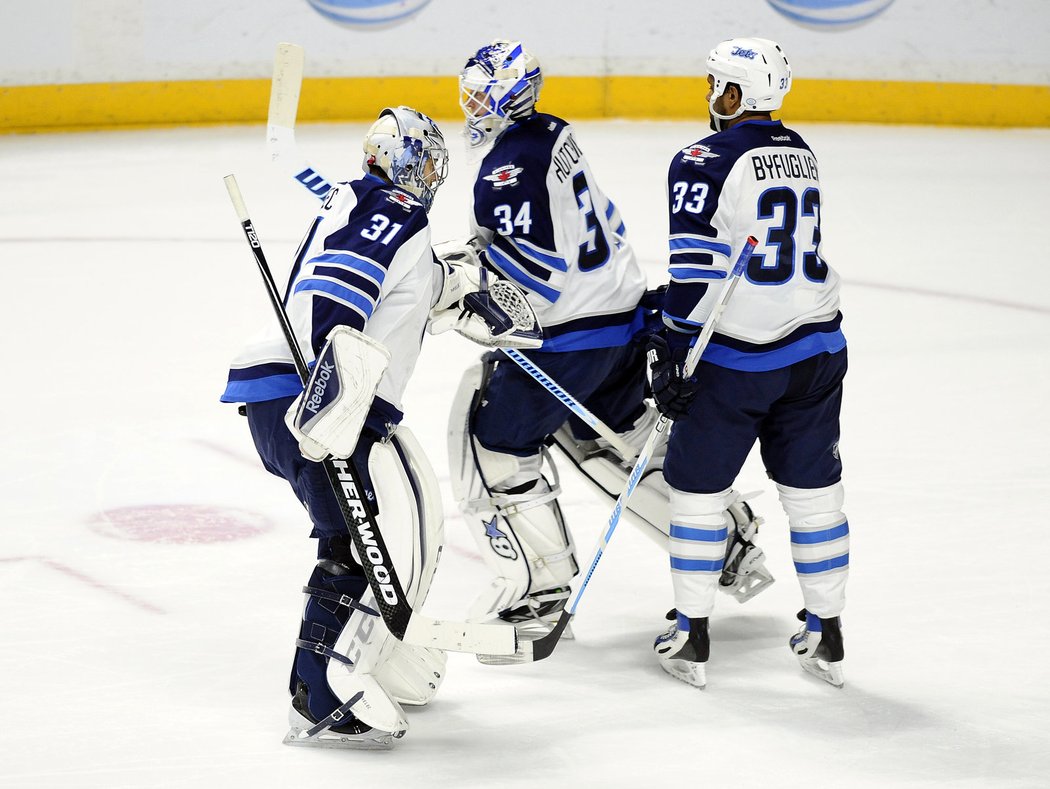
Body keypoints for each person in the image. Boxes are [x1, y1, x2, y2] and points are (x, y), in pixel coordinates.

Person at [444, 40, 773, 637]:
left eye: (478, 93)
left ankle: (537, 592)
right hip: (620, 320)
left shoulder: (505, 171)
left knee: (494, 439)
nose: (468, 103)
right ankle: (725, 537)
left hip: (571, 338)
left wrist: (467, 292)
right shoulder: (552, 132)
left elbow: (536, 273)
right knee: (616, 439)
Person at [220, 106, 525, 748]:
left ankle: (376, 658)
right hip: (314, 393)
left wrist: (461, 287)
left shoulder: (371, 206)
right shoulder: (392, 205)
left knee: (369, 533)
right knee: (359, 542)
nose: (434, 174)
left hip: (305, 391)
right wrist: (330, 397)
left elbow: (410, 287)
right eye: (428, 159)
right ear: (403, 159)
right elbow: (341, 290)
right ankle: (322, 689)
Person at [648, 37, 850, 689]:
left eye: (718, 85)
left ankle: (691, 630)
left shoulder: (701, 159)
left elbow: (692, 278)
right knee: (815, 494)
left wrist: (674, 354)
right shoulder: (799, 151)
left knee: (697, 491)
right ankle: (827, 626)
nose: (711, 96)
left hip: (739, 358)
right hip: (817, 346)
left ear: (738, 93)